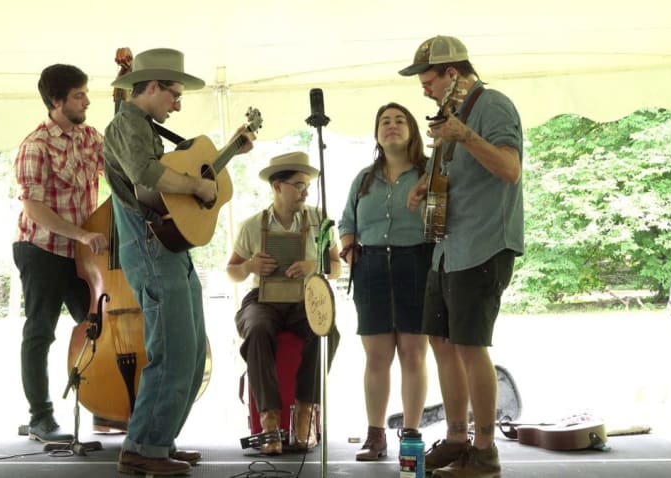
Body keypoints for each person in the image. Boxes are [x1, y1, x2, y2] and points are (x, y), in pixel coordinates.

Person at [102, 48, 253, 476]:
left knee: (189, 353)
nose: (177, 102)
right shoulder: (126, 125)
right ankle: (142, 449)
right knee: (172, 352)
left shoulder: (144, 126)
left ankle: (159, 440)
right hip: (150, 248)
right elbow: (148, 176)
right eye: (173, 93)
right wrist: (197, 187)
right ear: (151, 87)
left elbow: (173, 185)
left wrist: (227, 158)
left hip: (169, 249)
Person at [401, 35, 524, 478]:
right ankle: (457, 439)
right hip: (448, 250)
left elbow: (509, 169)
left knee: (471, 347)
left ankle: (485, 452)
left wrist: (465, 135)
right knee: (441, 342)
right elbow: (458, 175)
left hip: (483, 245)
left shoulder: (492, 105)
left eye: (428, 79)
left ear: (453, 74)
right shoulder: (452, 114)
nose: (424, 88)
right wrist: (427, 185)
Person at [12, 64, 107, 443]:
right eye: (79, 95)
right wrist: (82, 235)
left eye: (86, 93)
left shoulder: (90, 137)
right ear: (57, 101)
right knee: (41, 333)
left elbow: (122, 172)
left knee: (98, 328)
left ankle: (105, 405)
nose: (87, 100)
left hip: (82, 253)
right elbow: (34, 209)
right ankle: (40, 418)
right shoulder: (35, 145)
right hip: (41, 249)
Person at [226, 151, 341, 455]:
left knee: (327, 330)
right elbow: (232, 271)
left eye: (307, 186)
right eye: (299, 185)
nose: (305, 192)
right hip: (264, 299)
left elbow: (337, 265)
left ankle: (304, 413)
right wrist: (250, 266)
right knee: (258, 329)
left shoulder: (319, 220)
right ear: (277, 186)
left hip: (305, 298)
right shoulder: (254, 225)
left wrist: (313, 265)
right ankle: (269, 423)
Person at [337, 103, 432, 461]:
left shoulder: (429, 173)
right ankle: (375, 436)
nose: (391, 126)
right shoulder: (363, 178)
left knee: (413, 354)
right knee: (376, 357)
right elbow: (347, 221)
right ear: (377, 133)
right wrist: (348, 245)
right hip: (371, 267)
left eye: (399, 120)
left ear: (412, 130)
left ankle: (410, 434)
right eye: (384, 121)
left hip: (417, 264)